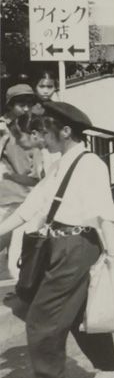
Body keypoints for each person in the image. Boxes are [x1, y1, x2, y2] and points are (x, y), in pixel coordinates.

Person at [0, 102, 114, 378]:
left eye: (45, 130)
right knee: (78, 313)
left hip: (76, 246)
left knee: (42, 316)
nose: (41, 136)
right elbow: (33, 206)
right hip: (59, 246)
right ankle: (109, 366)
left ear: (66, 131)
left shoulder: (90, 163)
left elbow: (103, 214)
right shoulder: (60, 163)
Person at [0, 85, 43, 272]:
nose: (26, 109)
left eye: (29, 104)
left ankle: (20, 291)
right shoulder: (2, 128)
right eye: (20, 104)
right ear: (10, 105)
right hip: (6, 198)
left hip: (28, 199)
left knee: (18, 254)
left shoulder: (33, 129)